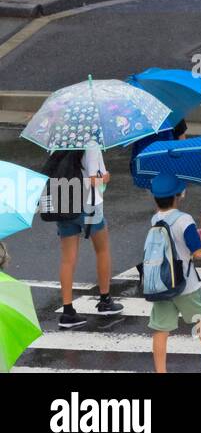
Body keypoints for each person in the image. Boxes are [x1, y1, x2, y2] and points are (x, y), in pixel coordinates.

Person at [145, 174, 201, 373]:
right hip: (186, 284)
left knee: (161, 329)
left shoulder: (155, 219)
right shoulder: (184, 220)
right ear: (178, 195)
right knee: (200, 319)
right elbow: (198, 253)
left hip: (162, 283)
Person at [47, 139, 124, 329]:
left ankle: (67, 312)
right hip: (89, 204)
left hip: (64, 202)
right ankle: (105, 300)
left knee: (67, 259)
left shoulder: (58, 141)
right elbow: (92, 179)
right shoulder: (90, 144)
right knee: (102, 250)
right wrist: (105, 177)